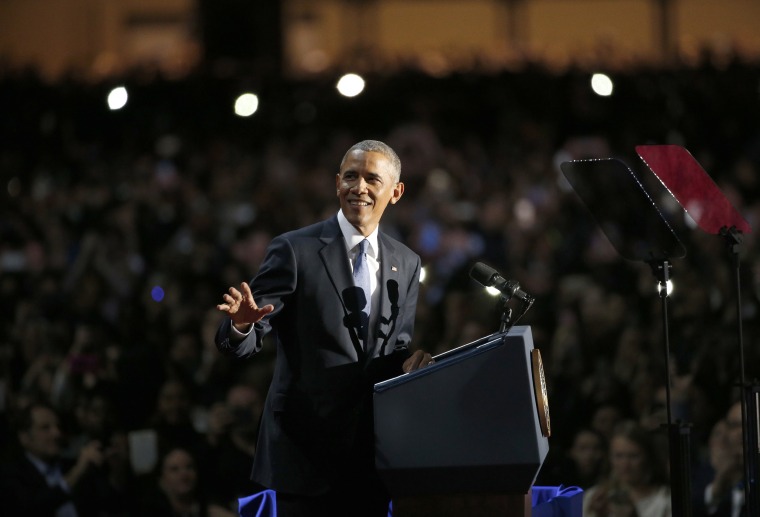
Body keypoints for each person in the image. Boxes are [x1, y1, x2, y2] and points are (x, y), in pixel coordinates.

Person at [215, 139, 433, 516]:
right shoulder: (294, 250)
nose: (358, 187)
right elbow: (242, 343)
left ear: (395, 192)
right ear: (336, 183)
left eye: (371, 179)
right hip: (304, 455)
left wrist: (413, 366)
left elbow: (393, 349)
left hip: (370, 459)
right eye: (350, 176)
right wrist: (241, 327)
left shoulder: (407, 262)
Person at [0, 400, 129, 517]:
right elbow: (33, 507)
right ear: (25, 437)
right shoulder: (11, 474)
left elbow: (111, 505)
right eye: (45, 428)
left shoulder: (70, 465)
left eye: (58, 426)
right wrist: (77, 472)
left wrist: (117, 469)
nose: (57, 433)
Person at [583, 420, 671, 517]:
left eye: (633, 456)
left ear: (647, 457)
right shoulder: (595, 497)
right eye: (619, 456)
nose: (625, 464)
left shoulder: (664, 501)